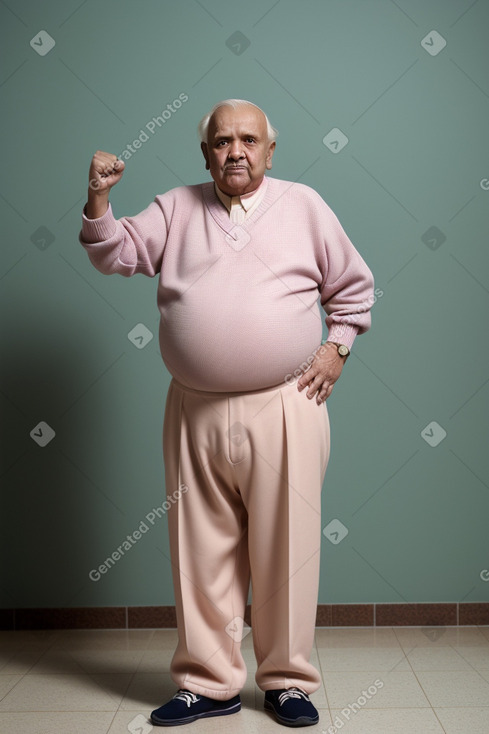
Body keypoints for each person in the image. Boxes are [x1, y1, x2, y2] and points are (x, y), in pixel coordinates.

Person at [79, 99, 375, 728]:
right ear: (205, 152)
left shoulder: (304, 205)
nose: (235, 151)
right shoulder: (175, 208)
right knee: (200, 548)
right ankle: (209, 683)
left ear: (271, 150)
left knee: (285, 550)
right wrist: (99, 200)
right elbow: (114, 254)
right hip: (196, 408)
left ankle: (288, 682)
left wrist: (337, 346)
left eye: (248, 139)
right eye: (221, 141)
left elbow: (353, 287)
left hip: (288, 403)